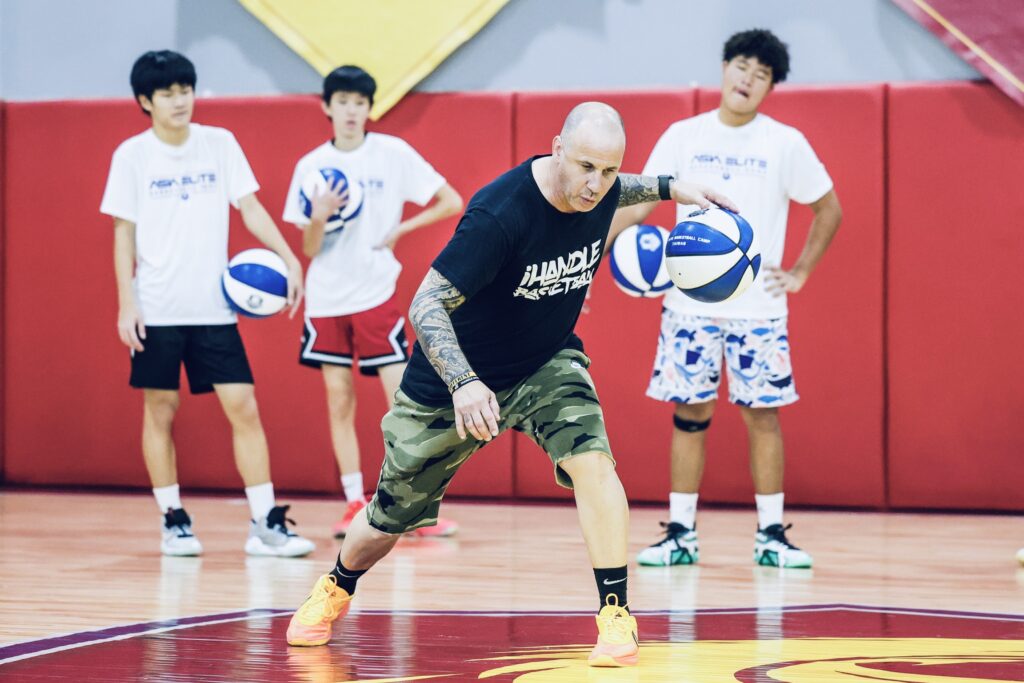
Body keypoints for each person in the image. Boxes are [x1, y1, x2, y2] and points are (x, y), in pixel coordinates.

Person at [283, 102, 736, 668]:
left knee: (593, 463)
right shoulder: (500, 213)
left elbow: (622, 190)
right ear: (557, 149)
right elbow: (426, 304)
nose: (596, 185)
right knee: (387, 519)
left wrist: (673, 188)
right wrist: (464, 382)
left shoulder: (599, 190)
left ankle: (616, 614)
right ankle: (336, 585)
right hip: (455, 379)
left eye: (609, 170)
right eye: (586, 167)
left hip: (545, 362)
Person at [611, 29, 843, 569]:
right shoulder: (683, 135)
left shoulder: (784, 142)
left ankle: (771, 536)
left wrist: (801, 272)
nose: (748, 79)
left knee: (763, 415)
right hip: (688, 308)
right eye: (742, 66)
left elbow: (829, 209)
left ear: (770, 87)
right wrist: (591, 257)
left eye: (762, 74)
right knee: (689, 413)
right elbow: (640, 205)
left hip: (757, 311)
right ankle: (680, 534)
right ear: (724, 68)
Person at [100, 50, 315, 558]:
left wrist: (289, 259)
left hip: (214, 309)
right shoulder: (132, 156)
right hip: (157, 308)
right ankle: (173, 519)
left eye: (186, 90)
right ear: (145, 101)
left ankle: (264, 523)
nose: (180, 101)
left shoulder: (219, 144)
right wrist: (127, 302)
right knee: (160, 408)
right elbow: (123, 233)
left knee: (243, 406)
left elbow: (251, 208)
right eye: (168, 93)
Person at [282, 66, 463, 538]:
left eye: (359, 102)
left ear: (369, 108)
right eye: (342, 101)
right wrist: (319, 215)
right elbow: (309, 248)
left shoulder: (392, 154)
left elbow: (451, 200)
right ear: (327, 106)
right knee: (339, 400)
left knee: (404, 402)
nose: (351, 110)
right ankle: (352, 503)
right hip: (326, 300)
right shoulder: (310, 166)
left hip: (376, 295)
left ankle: (412, 506)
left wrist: (401, 229)